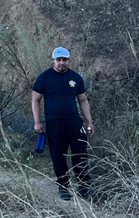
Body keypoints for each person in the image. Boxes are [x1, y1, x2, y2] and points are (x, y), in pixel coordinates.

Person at [31, 46, 95, 201]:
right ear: (53, 60)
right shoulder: (44, 78)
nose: (61, 63)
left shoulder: (75, 78)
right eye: (58, 60)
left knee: (80, 154)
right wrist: (37, 122)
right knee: (58, 156)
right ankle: (63, 186)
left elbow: (83, 100)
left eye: (64, 60)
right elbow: (35, 99)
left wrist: (90, 121)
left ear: (69, 60)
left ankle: (84, 187)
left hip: (74, 122)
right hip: (54, 123)